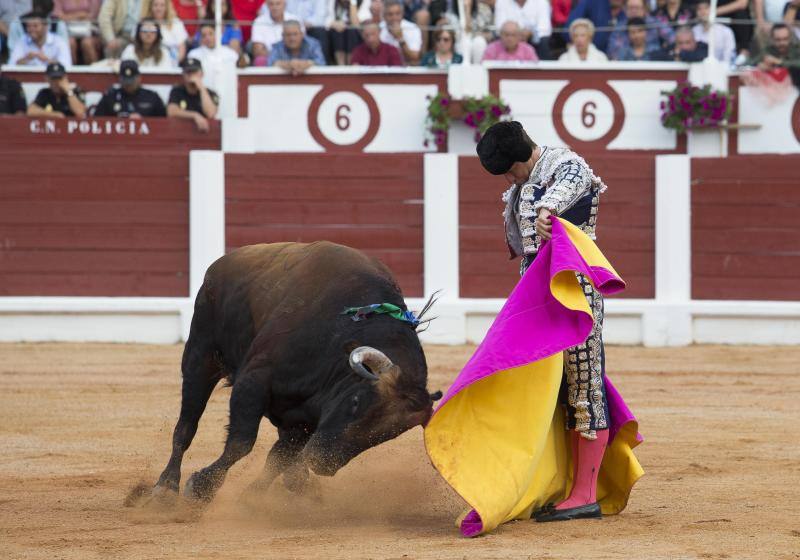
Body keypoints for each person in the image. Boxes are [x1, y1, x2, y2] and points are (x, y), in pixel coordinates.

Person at [475, 120, 612, 523]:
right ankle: (544, 484)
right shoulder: (523, 181)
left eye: (509, 170)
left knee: (582, 383)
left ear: (525, 155)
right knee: (534, 387)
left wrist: (547, 211)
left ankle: (584, 494)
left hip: (574, 294)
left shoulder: (566, 165)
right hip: (536, 296)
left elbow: (565, 189)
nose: (508, 178)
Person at [93, 59, 167, 117]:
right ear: (119, 79)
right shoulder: (110, 97)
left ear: (139, 78)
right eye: (125, 81)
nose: (128, 85)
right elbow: (97, 120)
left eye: (131, 81)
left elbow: (164, 121)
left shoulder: (152, 97)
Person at [606, 0, 674, 60]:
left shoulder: (654, 23)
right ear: (625, 9)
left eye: (637, 8)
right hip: (627, 64)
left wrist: (663, 51)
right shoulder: (620, 27)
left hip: (653, 63)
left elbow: (672, 38)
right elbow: (613, 51)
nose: (634, 11)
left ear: (644, 9)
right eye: (631, 8)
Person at [167, 57, 218, 131]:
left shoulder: (211, 93)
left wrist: (201, 88)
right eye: (188, 72)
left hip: (204, 135)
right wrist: (194, 115)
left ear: (202, 73)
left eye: (194, 72)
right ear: (183, 74)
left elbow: (210, 113)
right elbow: (171, 112)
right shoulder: (177, 91)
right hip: (180, 132)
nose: (191, 75)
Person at [379, 0, 422, 65]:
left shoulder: (413, 29)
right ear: (384, 16)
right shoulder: (379, 29)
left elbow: (415, 58)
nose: (394, 18)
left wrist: (400, 38)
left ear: (402, 14)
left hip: (406, 68)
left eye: (397, 14)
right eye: (390, 14)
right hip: (384, 68)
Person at [325, 0, 363, 65]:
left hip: (355, 34)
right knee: (337, 31)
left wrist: (352, 2)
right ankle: (341, 65)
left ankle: (350, 64)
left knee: (351, 31)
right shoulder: (332, 2)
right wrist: (334, 23)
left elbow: (355, 24)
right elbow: (326, 20)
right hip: (336, 32)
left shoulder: (361, 2)